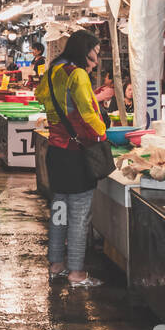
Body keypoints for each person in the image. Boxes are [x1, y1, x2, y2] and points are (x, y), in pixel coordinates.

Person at [34, 29, 106, 288]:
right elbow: (88, 116)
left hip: (56, 151)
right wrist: (103, 134)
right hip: (76, 155)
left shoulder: (54, 70)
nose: (96, 61)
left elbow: (41, 96)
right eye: (94, 55)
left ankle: (56, 264)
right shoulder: (78, 74)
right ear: (83, 51)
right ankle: (76, 272)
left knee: (60, 211)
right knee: (79, 215)